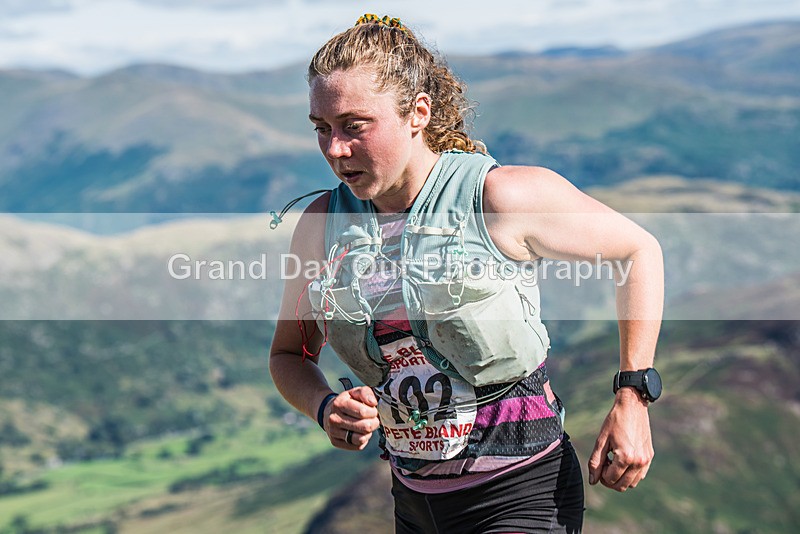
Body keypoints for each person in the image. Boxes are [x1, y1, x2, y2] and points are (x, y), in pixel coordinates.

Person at [269, 14, 663, 534]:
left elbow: (637, 252)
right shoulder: (321, 225)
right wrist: (324, 407)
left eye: (354, 126)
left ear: (418, 113)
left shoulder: (501, 196)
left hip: (523, 491)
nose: (335, 149)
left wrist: (632, 397)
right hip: (412, 501)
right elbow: (288, 355)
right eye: (322, 129)